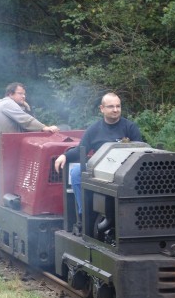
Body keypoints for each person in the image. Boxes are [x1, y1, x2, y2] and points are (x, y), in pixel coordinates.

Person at [54, 92, 142, 222]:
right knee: (77, 172)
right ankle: (85, 216)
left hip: (125, 171)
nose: (116, 110)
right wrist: (64, 156)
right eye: (111, 106)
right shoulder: (93, 130)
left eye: (118, 106)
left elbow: (141, 151)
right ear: (102, 108)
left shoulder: (130, 127)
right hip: (100, 170)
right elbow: (80, 150)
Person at [0, 82, 60, 199]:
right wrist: (45, 128)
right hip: (1, 145)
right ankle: (3, 198)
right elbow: (25, 120)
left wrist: (26, 107)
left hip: (8, 145)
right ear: (10, 94)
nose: (23, 96)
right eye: (20, 93)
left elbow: (26, 120)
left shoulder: (13, 105)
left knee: (9, 173)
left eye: (24, 94)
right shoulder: (7, 104)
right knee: (4, 174)